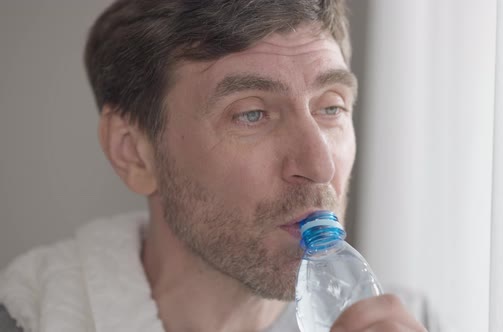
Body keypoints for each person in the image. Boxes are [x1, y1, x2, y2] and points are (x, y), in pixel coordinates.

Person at [0, 1, 434, 331]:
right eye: (251, 114)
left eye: (332, 108)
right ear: (133, 152)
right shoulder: (25, 315)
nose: (319, 166)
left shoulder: (410, 320)